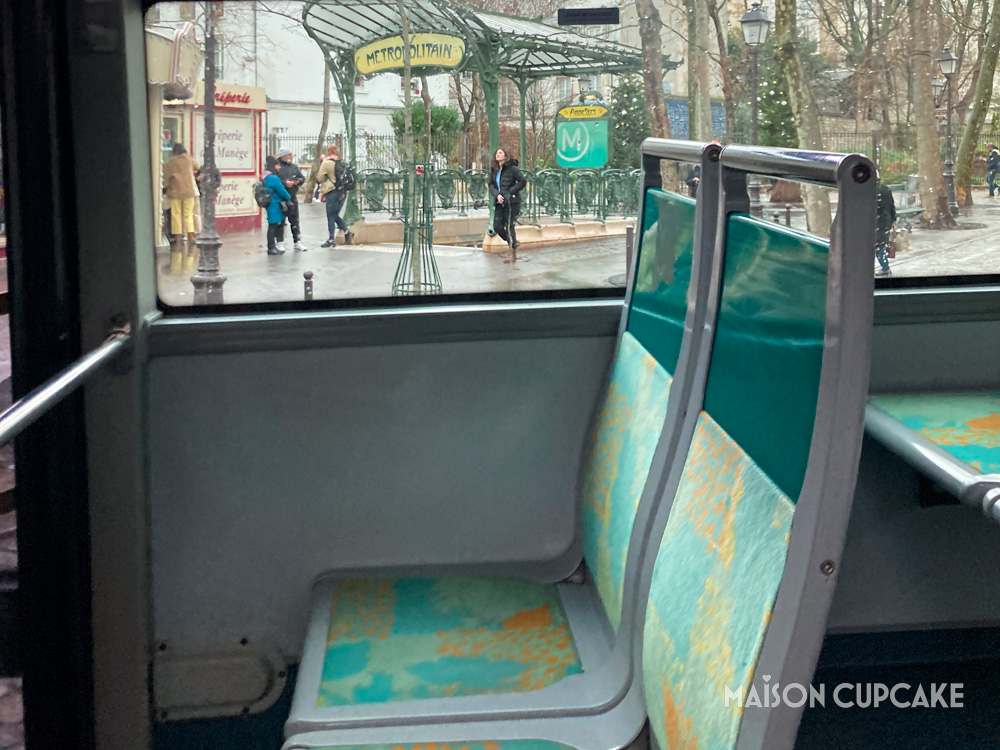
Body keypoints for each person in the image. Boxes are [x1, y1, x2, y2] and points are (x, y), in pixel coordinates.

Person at [163, 143, 200, 271]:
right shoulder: (188, 159)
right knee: (188, 214)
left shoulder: (170, 162)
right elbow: (197, 167)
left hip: (175, 191)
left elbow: (166, 176)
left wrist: (165, 186)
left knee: (176, 215)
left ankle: (178, 236)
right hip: (189, 191)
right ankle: (191, 235)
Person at [487, 147, 527, 262]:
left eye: (500, 153)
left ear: (505, 156)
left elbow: (522, 182)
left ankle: (512, 253)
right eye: (497, 152)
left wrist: (510, 192)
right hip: (500, 202)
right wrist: (497, 195)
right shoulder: (494, 170)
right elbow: (491, 185)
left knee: (509, 227)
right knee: (497, 226)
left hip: (512, 202)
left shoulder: (512, 169)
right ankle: (513, 243)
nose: (498, 154)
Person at [315, 145, 355, 248]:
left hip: (332, 191)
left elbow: (319, 178)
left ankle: (331, 239)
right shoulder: (342, 163)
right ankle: (346, 231)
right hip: (343, 192)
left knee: (330, 216)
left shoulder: (327, 163)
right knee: (335, 214)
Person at [275, 148, 308, 251]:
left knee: (295, 220)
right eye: (288, 155)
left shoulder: (294, 167)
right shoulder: (277, 167)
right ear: (283, 156)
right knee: (280, 221)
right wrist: (285, 183)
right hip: (281, 198)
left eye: (291, 155)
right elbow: (275, 180)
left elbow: (302, 177)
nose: (290, 157)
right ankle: (280, 242)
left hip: (293, 197)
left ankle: (297, 242)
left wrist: (299, 181)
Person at [263, 156, 292, 255]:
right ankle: (271, 247)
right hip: (275, 204)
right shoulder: (273, 178)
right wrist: (288, 197)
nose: (279, 167)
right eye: (277, 165)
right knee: (273, 226)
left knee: (272, 225)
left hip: (269, 203)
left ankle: (272, 247)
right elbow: (282, 191)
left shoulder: (265, 176)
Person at [875, 178, 896, 277]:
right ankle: (885, 267)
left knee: (877, 246)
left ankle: (885, 268)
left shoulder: (871, 190)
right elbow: (892, 205)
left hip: (876, 222)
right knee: (880, 245)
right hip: (886, 220)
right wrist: (893, 220)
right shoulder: (885, 188)